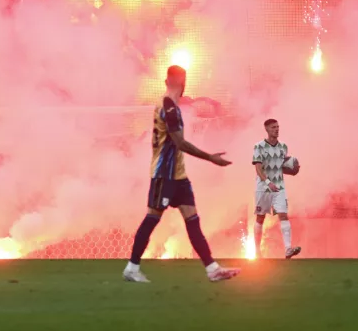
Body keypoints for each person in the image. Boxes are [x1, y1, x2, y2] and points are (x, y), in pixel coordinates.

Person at [123, 65, 240, 283]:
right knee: (152, 218)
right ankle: (132, 267)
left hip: (178, 176)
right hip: (164, 175)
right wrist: (210, 158)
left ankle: (212, 269)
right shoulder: (168, 107)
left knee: (192, 220)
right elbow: (179, 142)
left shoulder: (172, 105)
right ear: (181, 82)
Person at [251, 118, 301, 259]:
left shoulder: (283, 147)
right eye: (273, 127)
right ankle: (257, 251)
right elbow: (258, 168)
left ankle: (288, 249)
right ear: (266, 129)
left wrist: (293, 169)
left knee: (283, 215)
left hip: (279, 187)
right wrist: (267, 182)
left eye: (278, 127)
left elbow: (280, 167)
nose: (276, 129)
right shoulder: (259, 146)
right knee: (260, 218)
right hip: (263, 188)